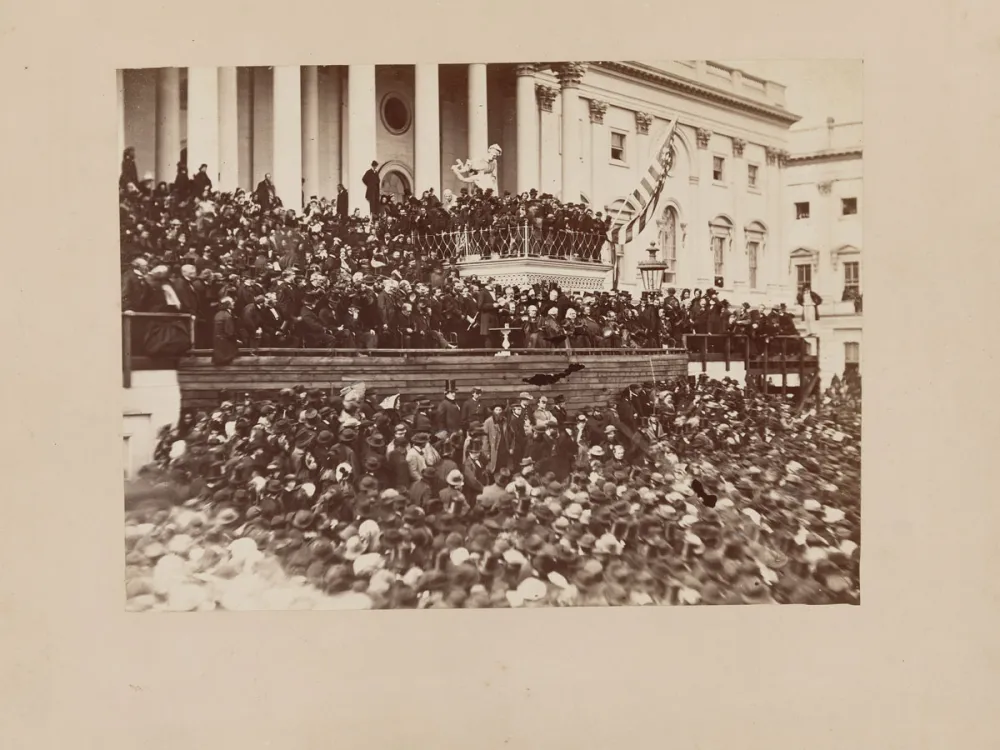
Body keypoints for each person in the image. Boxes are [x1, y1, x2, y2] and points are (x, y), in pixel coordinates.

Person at [212, 297, 240, 365]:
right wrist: (236, 340)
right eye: (232, 302)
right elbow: (229, 333)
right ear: (228, 305)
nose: (233, 303)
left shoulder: (218, 314)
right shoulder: (227, 316)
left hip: (217, 344)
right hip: (225, 345)